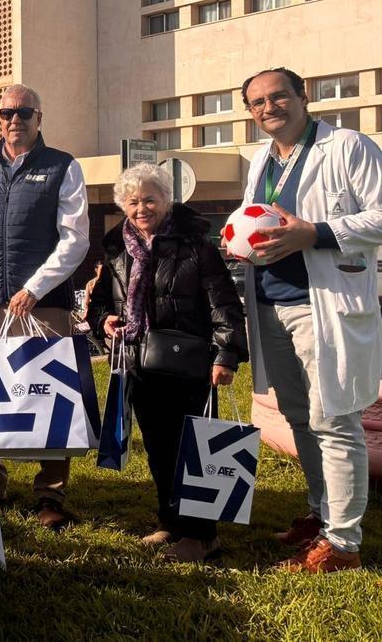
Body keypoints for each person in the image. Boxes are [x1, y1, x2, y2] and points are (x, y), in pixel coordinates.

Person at [238, 67, 382, 573]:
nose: (267, 108)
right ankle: (320, 515)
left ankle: (343, 545)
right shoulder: (260, 160)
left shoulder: (348, 146)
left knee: (333, 420)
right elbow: (255, 218)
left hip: (324, 303)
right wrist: (238, 242)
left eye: (278, 97)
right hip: (271, 303)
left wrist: (316, 232)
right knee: (299, 418)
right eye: (257, 102)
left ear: (305, 95)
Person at [88, 163, 246, 563]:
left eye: (150, 199)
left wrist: (226, 353)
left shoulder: (196, 244)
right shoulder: (117, 248)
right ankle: (171, 521)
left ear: (166, 200)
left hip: (189, 364)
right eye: (133, 201)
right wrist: (103, 320)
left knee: (190, 449)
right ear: (123, 205)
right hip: (140, 363)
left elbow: (223, 301)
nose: (142, 208)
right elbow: (102, 303)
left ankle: (202, 536)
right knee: (159, 449)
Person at [0, 84, 90, 529]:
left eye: (24, 112)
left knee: (48, 398)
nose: (14, 119)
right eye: (6, 112)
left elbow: (75, 239)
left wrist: (35, 288)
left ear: (39, 117)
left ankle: (51, 494)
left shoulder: (63, 167)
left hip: (42, 307)